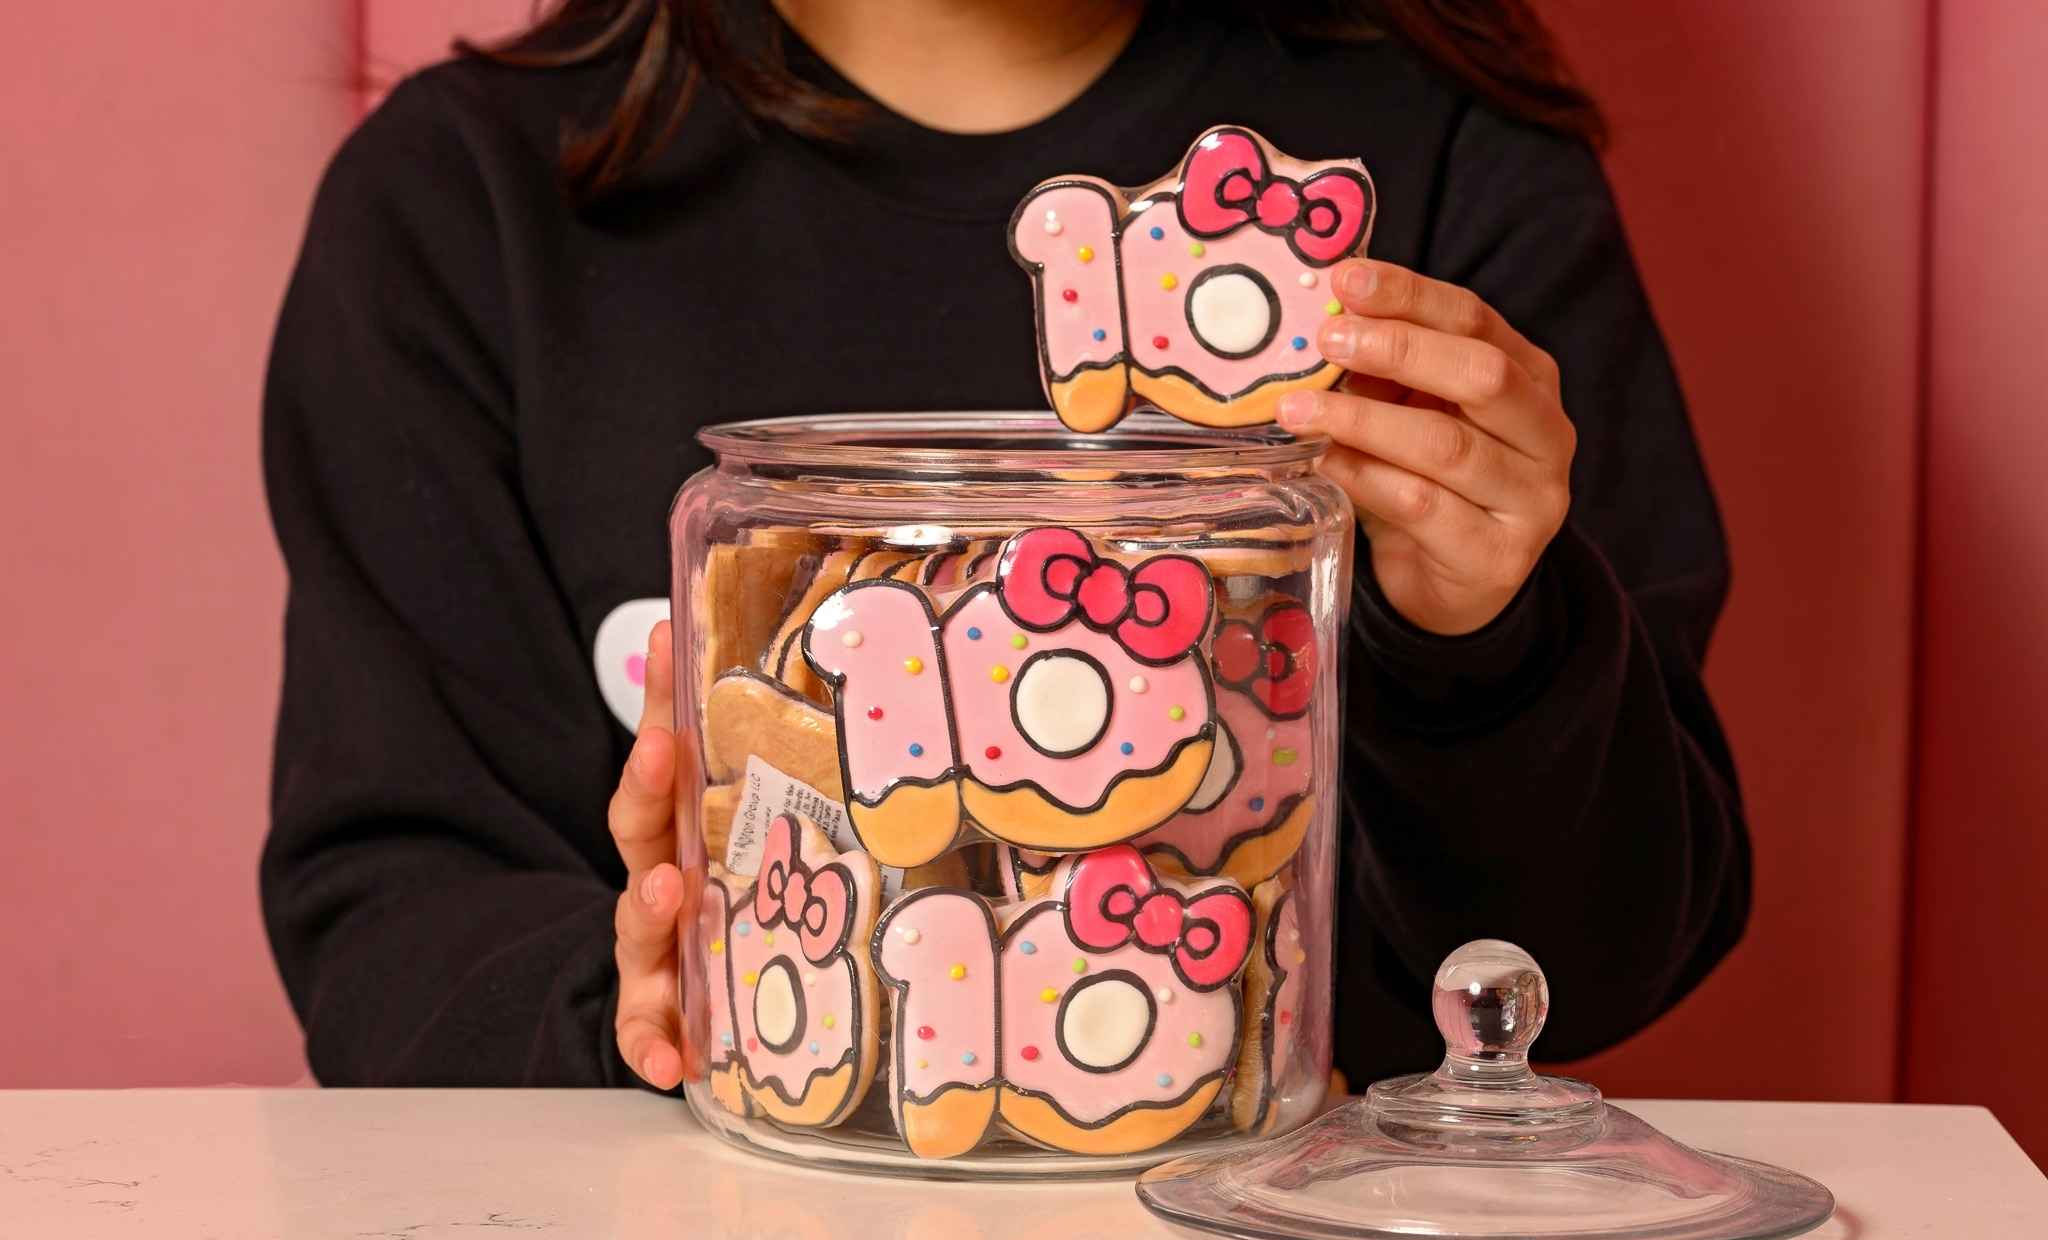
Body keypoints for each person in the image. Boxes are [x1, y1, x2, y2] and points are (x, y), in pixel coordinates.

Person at [261, 0, 1746, 1092]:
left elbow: (1594, 955)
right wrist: (631, 1000)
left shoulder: (1443, 171)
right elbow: (391, 922)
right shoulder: (461, 211)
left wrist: (1487, 637)